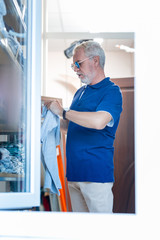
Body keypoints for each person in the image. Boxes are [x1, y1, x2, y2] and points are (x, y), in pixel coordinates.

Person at [46, 41, 122, 213]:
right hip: (74, 174)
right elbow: (71, 126)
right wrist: (51, 119)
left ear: (95, 60)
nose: (75, 69)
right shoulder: (80, 93)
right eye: (73, 65)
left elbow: (98, 122)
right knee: (80, 232)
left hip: (95, 176)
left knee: (101, 232)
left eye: (78, 63)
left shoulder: (111, 91)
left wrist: (63, 112)